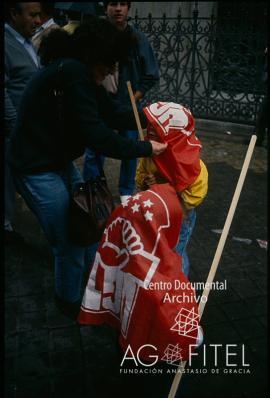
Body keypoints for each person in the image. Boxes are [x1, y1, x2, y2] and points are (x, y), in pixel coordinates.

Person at [7, 18, 167, 319]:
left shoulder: (79, 73)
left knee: (89, 222)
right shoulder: (73, 73)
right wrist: (145, 147)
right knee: (68, 239)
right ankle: (68, 302)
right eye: (109, 64)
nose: (111, 71)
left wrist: (151, 119)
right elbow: (97, 135)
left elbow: (112, 113)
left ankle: (92, 286)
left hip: (56, 161)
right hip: (34, 167)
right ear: (94, 56)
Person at [83, 2, 159, 204]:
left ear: (128, 8)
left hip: (127, 104)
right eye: (113, 4)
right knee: (96, 148)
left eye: (122, 4)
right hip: (100, 101)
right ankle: (93, 187)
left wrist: (134, 97)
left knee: (130, 148)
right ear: (105, 7)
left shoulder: (138, 39)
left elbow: (151, 74)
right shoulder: (96, 34)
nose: (118, 9)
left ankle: (126, 190)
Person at [135, 102, 208, 277]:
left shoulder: (194, 165)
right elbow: (140, 180)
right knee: (155, 252)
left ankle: (177, 292)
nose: (150, 132)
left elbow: (193, 199)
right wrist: (146, 182)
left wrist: (165, 185)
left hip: (179, 219)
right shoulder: (151, 156)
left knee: (175, 254)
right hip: (155, 215)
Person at [4, 2, 41, 245]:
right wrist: (16, 125)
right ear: (14, 14)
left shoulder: (27, 42)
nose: (38, 20)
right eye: (33, 15)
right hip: (13, 130)